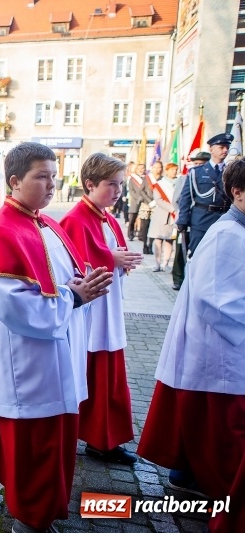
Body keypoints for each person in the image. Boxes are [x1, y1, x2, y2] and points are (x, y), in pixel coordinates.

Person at [0, 142, 112, 533]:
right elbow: (18, 308)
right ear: (15, 181)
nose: (52, 185)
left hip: (48, 346)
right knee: (36, 439)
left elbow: (56, 279)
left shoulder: (43, 222)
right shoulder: (4, 232)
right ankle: (32, 519)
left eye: (54, 176)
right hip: (24, 355)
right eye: (41, 177)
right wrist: (75, 295)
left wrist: (75, 286)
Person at [138, 159, 245, 533]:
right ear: (238, 192)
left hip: (216, 352)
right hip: (219, 354)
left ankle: (187, 479)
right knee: (224, 435)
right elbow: (219, 300)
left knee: (205, 431)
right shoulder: (228, 234)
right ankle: (223, 499)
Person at [60, 153, 142, 466]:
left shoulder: (105, 216)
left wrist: (120, 260)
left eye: (121, 184)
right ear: (90, 184)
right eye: (112, 184)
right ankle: (98, 439)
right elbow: (75, 265)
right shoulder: (77, 218)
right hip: (92, 311)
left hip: (108, 307)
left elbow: (109, 252)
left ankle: (103, 439)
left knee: (108, 372)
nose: (119, 190)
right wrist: (112, 260)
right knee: (94, 371)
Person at [177, 133, 233, 254]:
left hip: (223, 219)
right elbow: (185, 198)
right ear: (211, 149)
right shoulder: (196, 172)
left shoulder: (231, 172)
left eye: (227, 147)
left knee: (221, 256)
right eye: (221, 147)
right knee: (198, 254)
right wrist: (182, 219)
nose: (225, 150)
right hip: (201, 219)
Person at [172, 151, 211, 290]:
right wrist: (183, 216)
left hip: (200, 220)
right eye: (196, 163)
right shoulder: (184, 178)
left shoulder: (211, 178)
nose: (198, 166)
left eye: (202, 164)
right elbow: (177, 199)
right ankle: (178, 278)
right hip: (185, 220)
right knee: (180, 252)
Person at [148, 162, 178, 272]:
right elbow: (158, 200)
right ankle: (157, 263)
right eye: (172, 170)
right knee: (158, 239)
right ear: (167, 171)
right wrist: (172, 208)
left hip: (174, 216)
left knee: (170, 240)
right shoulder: (160, 184)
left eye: (175, 169)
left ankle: (166, 263)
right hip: (161, 215)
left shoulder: (180, 182)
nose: (174, 172)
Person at [137, 162, 158, 254]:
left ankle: (151, 245)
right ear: (152, 168)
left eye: (159, 167)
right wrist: (150, 201)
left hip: (157, 205)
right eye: (155, 167)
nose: (158, 169)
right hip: (146, 205)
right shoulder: (147, 178)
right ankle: (145, 245)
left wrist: (156, 201)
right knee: (145, 226)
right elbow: (141, 191)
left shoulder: (162, 179)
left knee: (153, 227)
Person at [127, 163, 149, 242]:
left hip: (145, 201)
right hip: (135, 201)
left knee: (144, 219)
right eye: (139, 168)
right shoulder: (132, 179)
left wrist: (145, 198)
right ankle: (131, 234)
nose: (140, 170)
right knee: (132, 219)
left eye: (142, 168)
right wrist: (139, 198)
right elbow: (131, 191)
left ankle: (141, 235)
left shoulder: (147, 178)